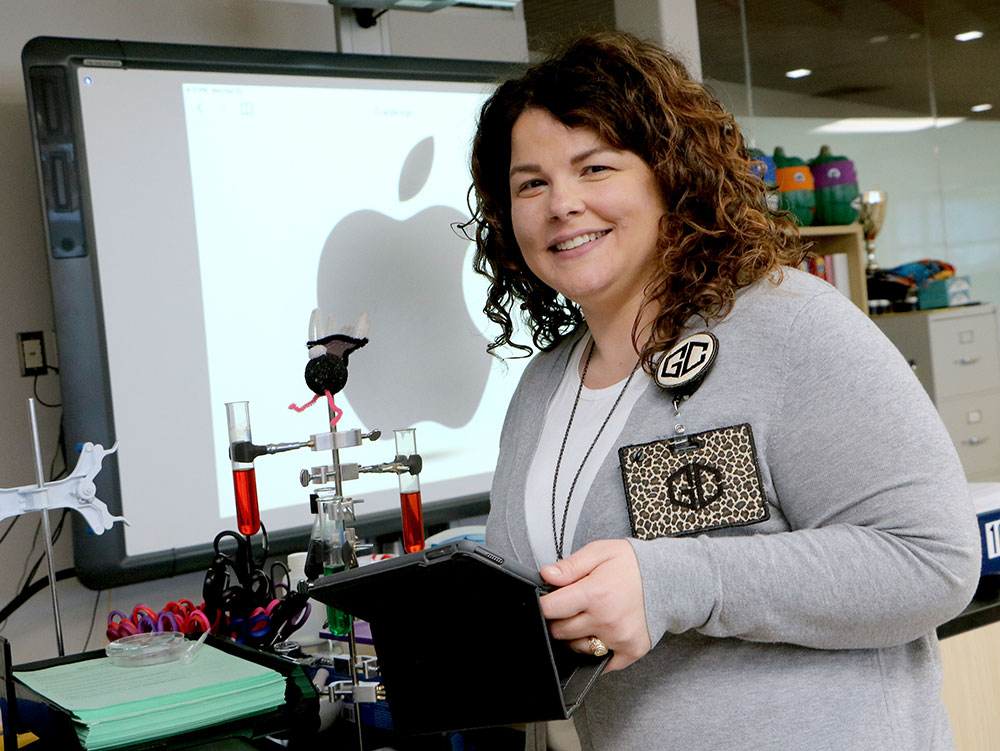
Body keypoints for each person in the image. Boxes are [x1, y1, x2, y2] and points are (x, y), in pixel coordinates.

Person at [467, 31, 980, 751]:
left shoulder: (789, 325)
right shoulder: (540, 388)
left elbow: (933, 560)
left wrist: (676, 579)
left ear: (669, 177)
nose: (563, 204)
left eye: (595, 168)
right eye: (531, 183)